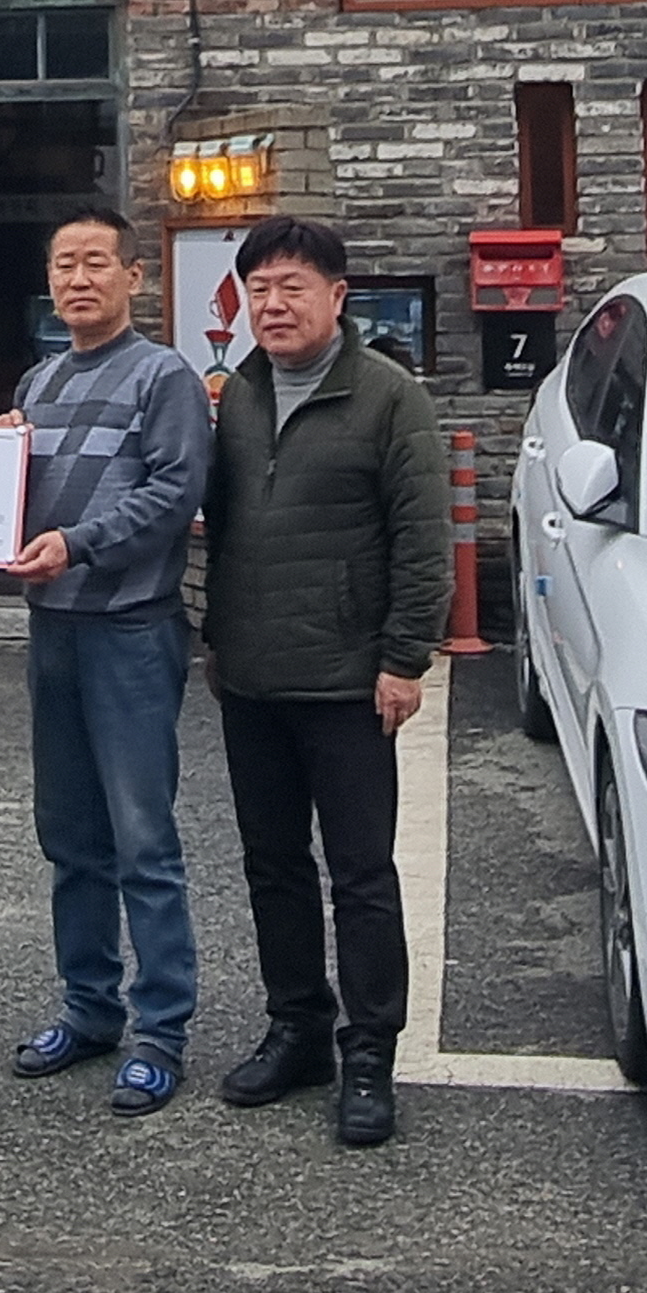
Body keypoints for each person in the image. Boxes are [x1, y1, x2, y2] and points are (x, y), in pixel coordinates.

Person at [202, 214, 450, 1150]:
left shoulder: (388, 397)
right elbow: (220, 525)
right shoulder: (239, 394)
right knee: (272, 866)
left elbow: (423, 540)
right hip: (252, 674)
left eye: (292, 287)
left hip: (349, 682)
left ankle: (370, 1052)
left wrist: (403, 659)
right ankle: (296, 1027)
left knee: (362, 875)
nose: (274, 304)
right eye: (259, 288)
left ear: (338, 297)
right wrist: (216, 635)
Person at [0, 206, 213, 1114]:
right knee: (69, 836)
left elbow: (175, 492)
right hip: (54, 631)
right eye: (63, 265)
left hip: (129, 630)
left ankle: (160, 1029)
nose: (78, 279)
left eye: (95, 263)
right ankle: (88, 1009)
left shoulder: (164, 377)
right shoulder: (38, 382)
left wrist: (77, 544)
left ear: (134, 276)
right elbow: (12, 501)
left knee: (142, 839)